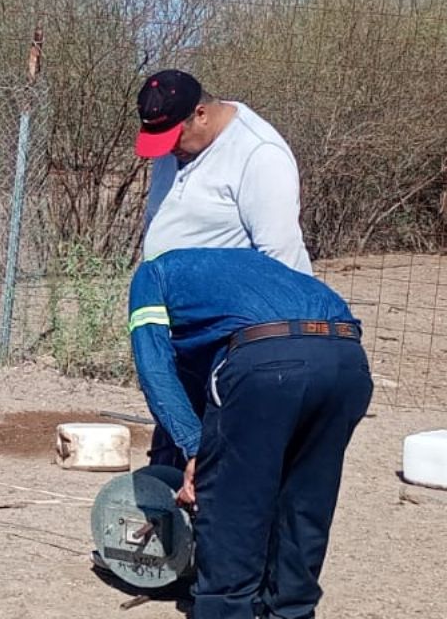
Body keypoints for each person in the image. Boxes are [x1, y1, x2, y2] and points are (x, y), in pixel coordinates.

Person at [127, 247, 372, 619]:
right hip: (347, 360)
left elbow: (156, 370)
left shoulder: (152, 276)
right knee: (304, 503)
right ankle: (292, 610)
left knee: (232, 508)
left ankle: (226, 609)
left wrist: (196, 450)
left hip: (267, 363)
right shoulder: (254, 271)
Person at [135, 69, 313, 467]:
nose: (168, 151)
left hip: (230, 337)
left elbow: (280, 259)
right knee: (173, 447)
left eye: (173, 139)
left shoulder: (259, 154)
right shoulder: (179, 147)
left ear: (200, 114)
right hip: (184, 330)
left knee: (219, 458)